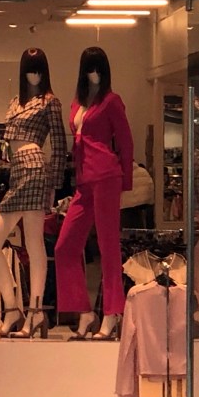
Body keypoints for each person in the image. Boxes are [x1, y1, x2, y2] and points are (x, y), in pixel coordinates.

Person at [0, 47, 67, 338]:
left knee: (4, 243)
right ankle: (21, 311)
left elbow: (59, 145)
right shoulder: (15, 102)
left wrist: (53, 186)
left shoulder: (50, 102)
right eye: (30, 69)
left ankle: (29, 311)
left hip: (34, 168)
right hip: (16, 170)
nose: (35, 74)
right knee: (16, 244)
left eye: (39, 69)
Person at [55, 47, 134, 340]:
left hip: (106, 177)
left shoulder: (112, 102)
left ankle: (113, 313)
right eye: (90, 68)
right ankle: (84, 310)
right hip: (84, 180)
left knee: (107, 245)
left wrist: (125, 183)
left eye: (99, 69)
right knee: (64, 246)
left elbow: (126, 143)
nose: (94, 74)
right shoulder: (77, 103)